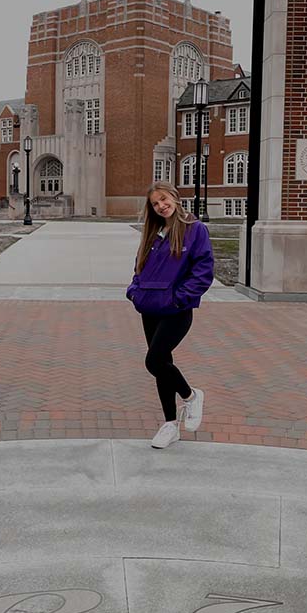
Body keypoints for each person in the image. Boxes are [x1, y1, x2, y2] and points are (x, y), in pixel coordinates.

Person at [126, 181, 214, 449]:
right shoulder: (153, 232)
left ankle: (191, 396)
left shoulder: (194, 230)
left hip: (176, 310)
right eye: (155, 203)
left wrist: (179, 299)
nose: (161, 206)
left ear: (175, 198)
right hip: (150, 307)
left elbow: (203, 271)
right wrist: (134, 290)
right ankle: (170, 425)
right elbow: (140, 267)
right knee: (162, 366)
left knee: (153, 361)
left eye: (164, 200)